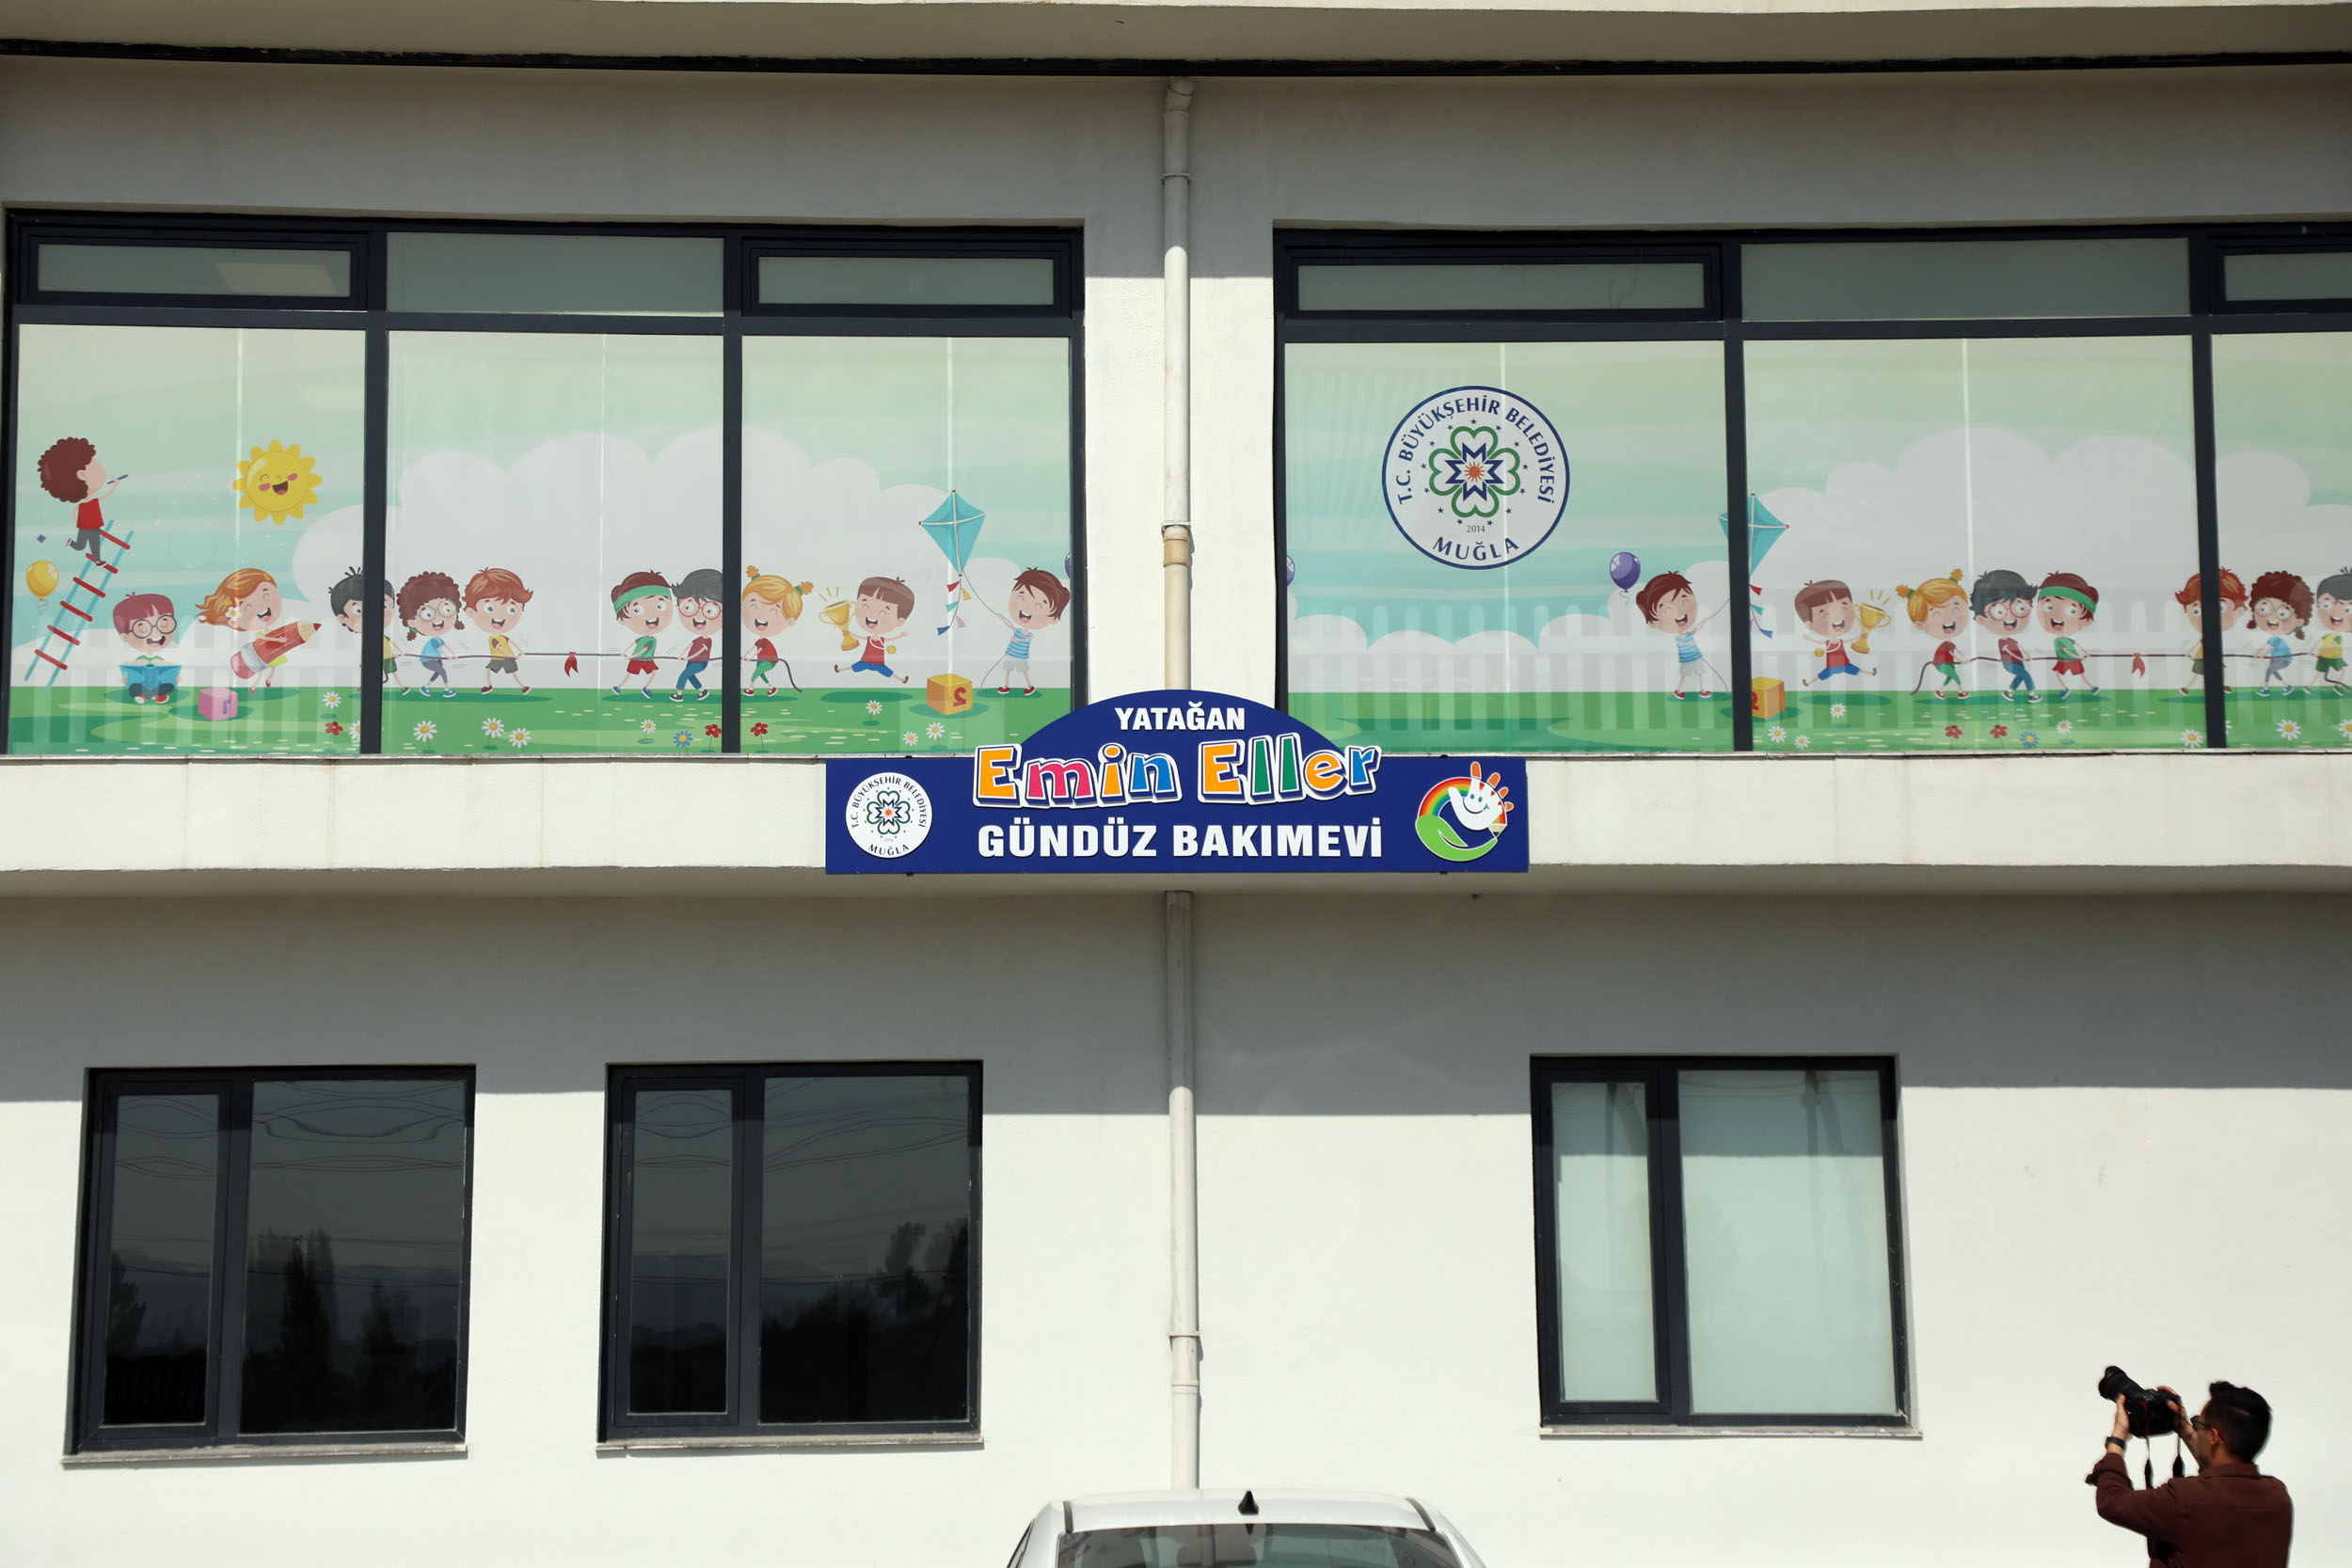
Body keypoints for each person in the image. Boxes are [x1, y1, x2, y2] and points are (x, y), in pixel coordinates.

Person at [2090, 1382, 2292, 1568]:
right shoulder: (2279, 1497)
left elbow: (2112, 1502)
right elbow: (2221, 1478)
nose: (2196, 1430)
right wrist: (2185, 1429)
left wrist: (2117, 1440)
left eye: (2199, 1425)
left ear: (2214, 1436)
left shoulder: (2183, 1499)